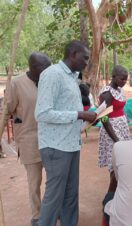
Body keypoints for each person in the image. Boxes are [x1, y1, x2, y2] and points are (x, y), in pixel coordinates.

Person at [35, 40, 97, 226]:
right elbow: (42, 113)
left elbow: (66, 109)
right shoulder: (53, 74)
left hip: (71, 144)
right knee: (54, 197)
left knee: (71, 195)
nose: (87, 62)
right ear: (73, 54)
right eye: (85, 57)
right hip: (56, 146)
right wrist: (79, 114)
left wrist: (87, 117)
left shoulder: (72, 77)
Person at [6, 52, 51, 226]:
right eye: (44, 67)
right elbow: (7, 110)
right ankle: (37, 215)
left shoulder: (49, 81)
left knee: (53, 179)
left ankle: (51, 209)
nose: (48, 70)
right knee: (34, 182)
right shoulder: (17, 83)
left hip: (51, 139)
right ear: (33, 67)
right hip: (29, 139)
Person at [98, 65, 131, 193]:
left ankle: (117, 192)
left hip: (122, 127)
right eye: (122, 79)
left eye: (125, 80)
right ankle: (110, 197)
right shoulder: (107, 93)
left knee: (122, 163)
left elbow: (120, 109)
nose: (124, 82)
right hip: (111, 130)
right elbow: (103, 118)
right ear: (113, 76)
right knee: (115, 164)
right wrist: (115, 139)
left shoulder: (119, 90)